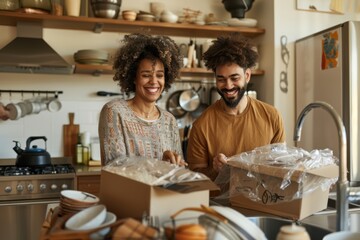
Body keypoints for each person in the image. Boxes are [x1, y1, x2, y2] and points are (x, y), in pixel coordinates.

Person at [187, 33, 286, 181]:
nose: (228, 86)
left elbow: (282, 167)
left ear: (247, 75)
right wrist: (215, 170)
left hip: (264, 202)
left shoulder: (271, 116)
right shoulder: (201, 125)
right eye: (221, 79)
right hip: (217, 204)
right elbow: (194, 179)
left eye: (234, 78)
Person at [99, 33, 185, 166]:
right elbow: (115, 167)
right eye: (146, 75)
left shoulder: (170, 121)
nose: (154, 81)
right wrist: (161, 164)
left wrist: (175, 164)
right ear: (134, 77)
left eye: (160, 75)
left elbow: (178, 171)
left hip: (161, 188)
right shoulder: (114, 112)